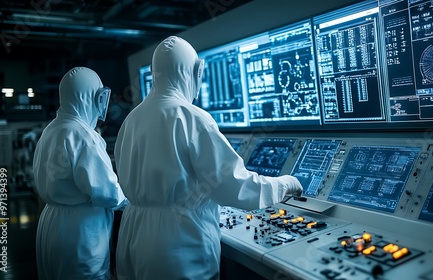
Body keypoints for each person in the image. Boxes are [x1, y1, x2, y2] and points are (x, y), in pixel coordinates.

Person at [114, 36, 303, 280]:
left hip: (134, 236)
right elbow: (235, 186)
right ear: (193, 71)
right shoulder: (192, 117)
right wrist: (284, 184)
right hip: (178, 244)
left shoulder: (132, 120)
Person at [33, 67, 128, 280]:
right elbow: (108, 193)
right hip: (79, 231)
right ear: (88, 97)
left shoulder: (52, 129)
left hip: (50, 225)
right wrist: (133, 199)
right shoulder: (83, 135)